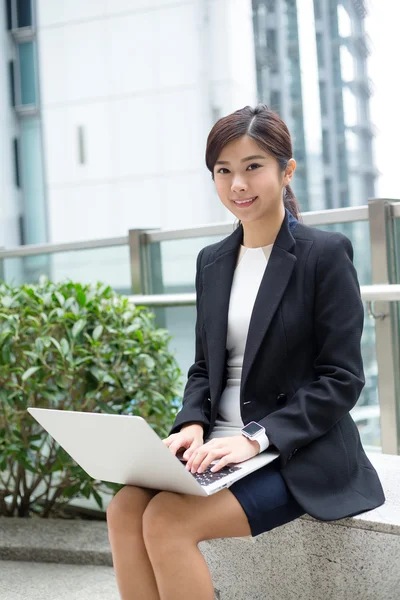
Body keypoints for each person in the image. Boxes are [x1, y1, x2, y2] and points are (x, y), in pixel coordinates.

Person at [106, 104, 385, 600]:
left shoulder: (324, 254)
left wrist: (256, 438)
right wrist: (191, 424)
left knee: (168, 521)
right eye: (223, 170)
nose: (238, 183)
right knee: (125, 508)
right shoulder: (212, 261)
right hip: (217, 449)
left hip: (293, 450)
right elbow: (202, 368)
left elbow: (342, 378)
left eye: (253, 166)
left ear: (286, 170)